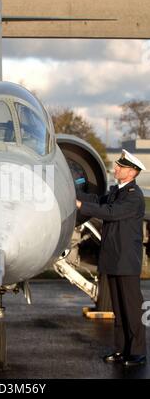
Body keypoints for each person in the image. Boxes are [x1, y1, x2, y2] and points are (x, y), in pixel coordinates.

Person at [76, 149, 147, 367]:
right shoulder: (118, 191)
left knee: (132, 309)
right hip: (114, 259)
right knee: (118, 308)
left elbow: (111, 212)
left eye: (120, 167)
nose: (115, 168)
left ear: (132, 172)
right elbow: (98, 199)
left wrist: (81, 206)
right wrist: (73, 193)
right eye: (117, 165)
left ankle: (136, 352)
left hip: (126, 260)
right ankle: (121, 349)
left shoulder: (134, 195)